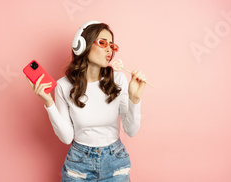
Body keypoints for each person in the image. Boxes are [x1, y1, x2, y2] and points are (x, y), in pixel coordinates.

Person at [26, 21, 147, 181]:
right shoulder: (63, 85)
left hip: (115, 162)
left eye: (112, 45)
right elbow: (66, 137)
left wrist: (135, 99)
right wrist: (49, 103)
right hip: (79, 163)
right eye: (103, 43)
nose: (109, 49)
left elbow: (131, 130)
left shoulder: (119, 79)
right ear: (82, 45)